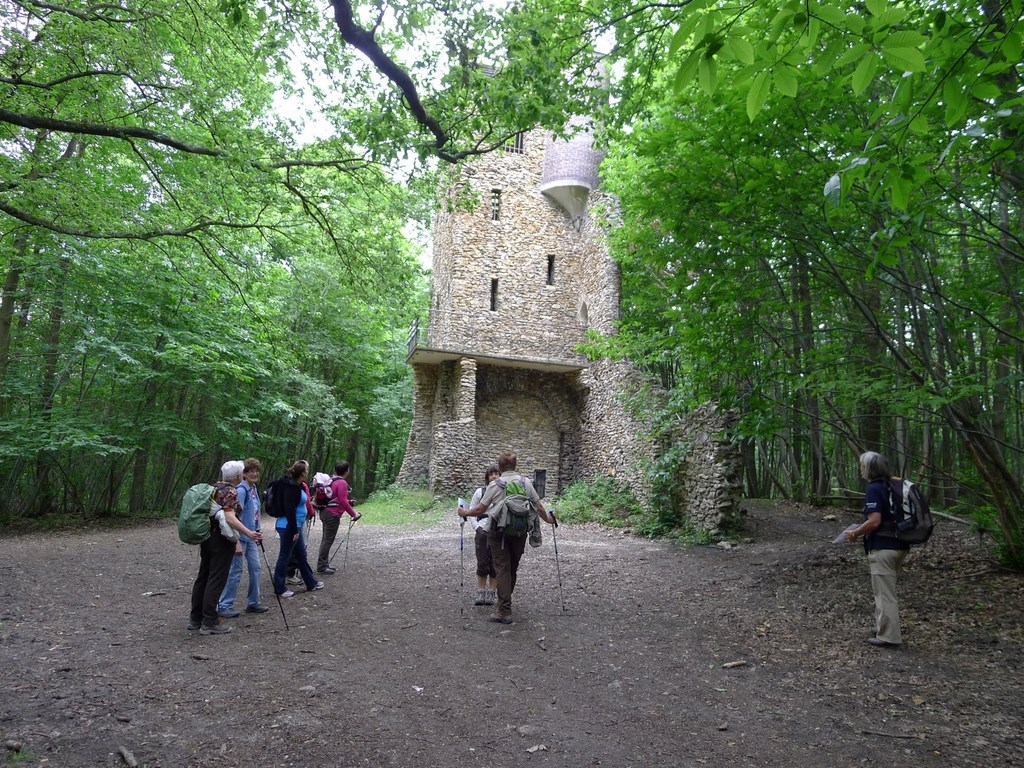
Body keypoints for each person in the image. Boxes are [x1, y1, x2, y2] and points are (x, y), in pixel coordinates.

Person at [460, 451, 554, 624]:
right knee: (512, 569)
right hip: (520, 532)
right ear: (515, 465)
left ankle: (504, 610)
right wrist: (549, 520)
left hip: (499, 533)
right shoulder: (525, 482)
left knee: (502, 568)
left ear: (500, 466)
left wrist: (464, 512)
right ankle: (504, 603)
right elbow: (538, 506)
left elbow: (481, 509)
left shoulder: (496, 484)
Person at [845, 451, 910, 648]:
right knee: (884, 590)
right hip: (900, 545)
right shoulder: (894, 485)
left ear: (870, 469)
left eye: (862, 466)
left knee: (884, 594)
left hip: (883, 547)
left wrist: (855, 532)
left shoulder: (874, 488)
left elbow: (874, 521)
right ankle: (882, 625)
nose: (860, 469)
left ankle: (889, 637)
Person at [189, 460, 262, 635]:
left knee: (204, 576)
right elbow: (230, 518)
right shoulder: (230, 491)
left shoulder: (213, 488)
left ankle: (195, 618)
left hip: (207, 537)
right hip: (221, 541)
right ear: (238, 475)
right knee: (216, 579)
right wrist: (248, 533)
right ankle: (209, 621)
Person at [216, 458, 269, 617]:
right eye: (249, 471)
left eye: (256, 470)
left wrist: (257, 531)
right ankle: (224, 605)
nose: (254, 473)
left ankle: (253, 602)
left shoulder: (253, 490)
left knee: (256, 568)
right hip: (241, 537)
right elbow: (234, 517)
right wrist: (237, 541)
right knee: (235, 571)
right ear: (243, 474)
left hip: (251, 537)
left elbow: (254, 514)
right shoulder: (240, 490)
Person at [272, 460, 324, 598]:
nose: (308, 471)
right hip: (288, 527)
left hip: (296, 526)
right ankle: (279, 587)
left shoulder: (299, 485)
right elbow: (289, 510)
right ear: (302, 473)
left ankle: (311, 582)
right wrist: (294, 530)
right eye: (307, 469)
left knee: (301, 555)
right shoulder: (291, 487)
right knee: (285, 556)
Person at [316, 460, 360, 574]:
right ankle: (322, 566)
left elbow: (337, 498)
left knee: (325, 539)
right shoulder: (342, 483)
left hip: (325, 511)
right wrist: (354, 514)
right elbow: (342, 501)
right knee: (327, 540)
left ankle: (323, 564)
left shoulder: (331, 480)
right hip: (332, 514)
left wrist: (349, 502)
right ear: (346, 471)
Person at [466, 465, 499, 606]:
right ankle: (480, 591)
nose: (494, 476)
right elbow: (471, 510)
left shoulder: (503, 491)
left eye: (496, 474)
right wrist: (476, 528)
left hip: (498, 531)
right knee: (482, 562)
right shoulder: (480, 492)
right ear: (487, 477)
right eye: (491, 474)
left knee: (495, 564)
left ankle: (491, 592)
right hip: (482, 531)